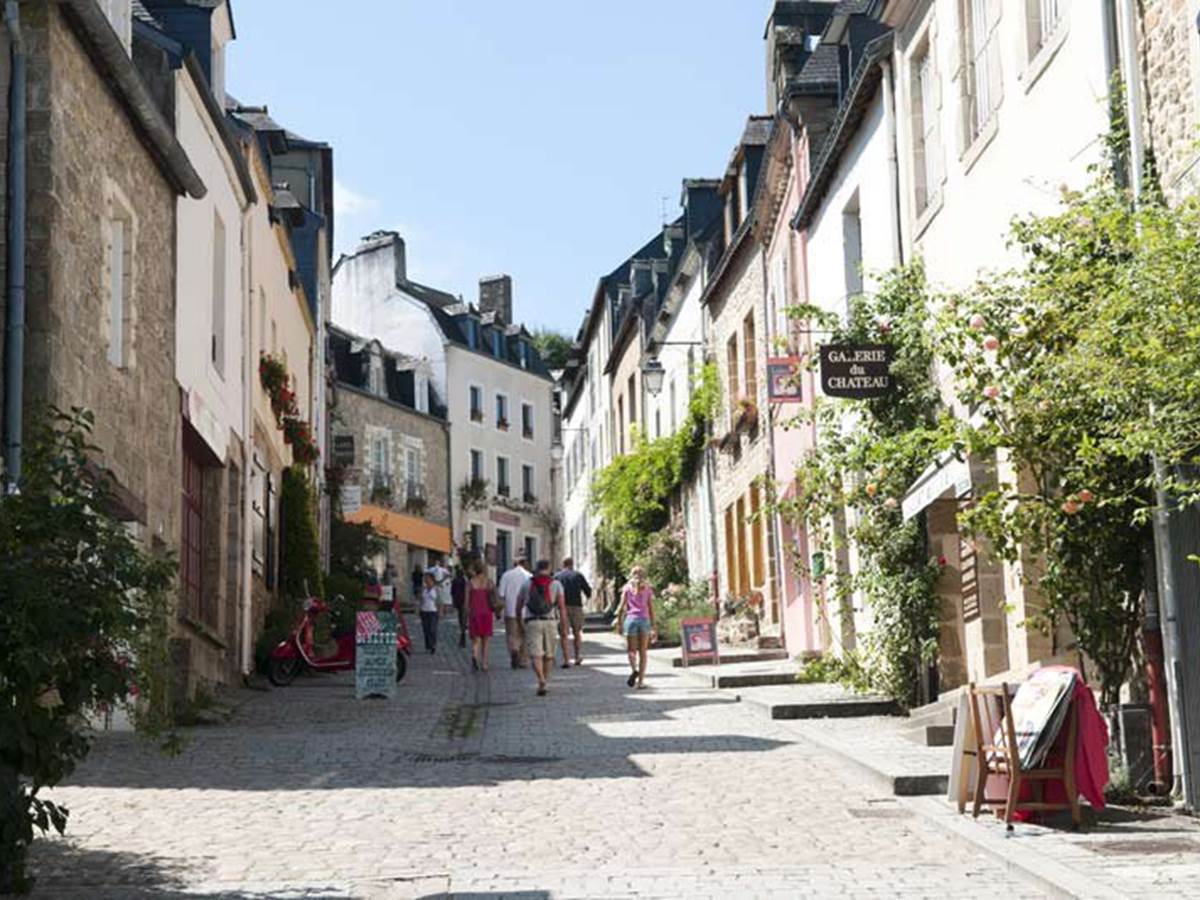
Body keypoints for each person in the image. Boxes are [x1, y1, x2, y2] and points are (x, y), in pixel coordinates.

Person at [517, 559, 566, 696]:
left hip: (532, 622)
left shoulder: (527, 584)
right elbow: (562, 606)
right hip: (550, 621)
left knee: (536, 654)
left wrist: (519, 623)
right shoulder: (556, 584)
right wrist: (563, 623)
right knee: (549, 655)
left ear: (536, 568)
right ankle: (544, 681)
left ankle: (540, 679)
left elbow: (518, 605)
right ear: (549, 568)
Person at [615, 565, 656, 689]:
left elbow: (621, 607)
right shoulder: (648, 589)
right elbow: (650, 608)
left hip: (631, 620)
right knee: (643, 652)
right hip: (644, 620)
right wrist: (654, 626)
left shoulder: (627, 589)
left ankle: (634, 669)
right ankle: (641, 682)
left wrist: (618, 622)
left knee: (631, 651)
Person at [555, 557, 592, 667]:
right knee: (577, 632)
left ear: (563, 564)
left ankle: (566, 659)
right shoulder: (578, 575)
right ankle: (577, 657)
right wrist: (585, 600)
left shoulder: (557, 577)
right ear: (572, 564)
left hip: (561, 608)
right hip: (576, 606)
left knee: (563, 634)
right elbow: (588, 591)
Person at [498, 554, 531, 668]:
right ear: (525, 564)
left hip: (510, 610)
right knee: (524, 635)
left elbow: (501, 595)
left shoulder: (506, 575)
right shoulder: (529, 576)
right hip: (526, 611)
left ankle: (514, 649)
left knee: (512, 634)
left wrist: (499, 611)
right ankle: (523, 660)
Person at [467, 559, 498, 671]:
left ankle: (475, 655)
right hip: (487, 612)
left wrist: (466, 613)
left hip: (475, 612)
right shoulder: (489, 582)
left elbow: (466, 601)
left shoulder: (471, 582)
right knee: (486, 639)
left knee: (476, 638)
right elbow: (495, 596)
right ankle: (484, 663)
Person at [418, 572, 440, 654]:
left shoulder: (436, 589)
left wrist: (440, 611)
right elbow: (420, 600)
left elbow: (440, 601)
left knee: (432, 629)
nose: (425, 580)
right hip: (424, 611)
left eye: (427, 578)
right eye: (425, 578)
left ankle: (433, 645)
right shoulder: (423, 589)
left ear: (431, 579)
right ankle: (428, 645)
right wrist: (418, 609)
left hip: (433, 611)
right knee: (426, 629)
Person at [451, 565, 468, 648]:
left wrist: (453, 599)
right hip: (464, 600)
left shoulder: (455, 580)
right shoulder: (465, 580)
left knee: (460, 615)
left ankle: (462, 625)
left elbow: (452, 591)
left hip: (458, 600)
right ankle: (463, 626)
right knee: (463, 615)